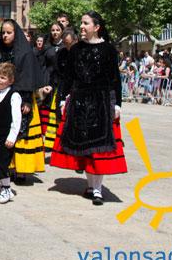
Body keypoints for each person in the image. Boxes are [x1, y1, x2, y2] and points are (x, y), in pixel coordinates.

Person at [51, 12, 127, 206]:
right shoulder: (76, 50)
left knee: (99, 148)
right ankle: (91, 185)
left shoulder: (109, 50)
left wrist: (117, 104)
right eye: (81, 23)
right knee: (85, 147)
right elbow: (68, 77)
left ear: (97, 26)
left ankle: (97, 189)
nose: (82, 26)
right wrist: (62, 99)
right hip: (79, 102)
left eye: (86, 23)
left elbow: (115, 79)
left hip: (101, 102)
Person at [0, 19, 45, 182]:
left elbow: (28, 75)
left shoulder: (25, 52)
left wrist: (27, 100)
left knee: (21, 133)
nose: (5, 35)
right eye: (3, 32)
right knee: (1, 132)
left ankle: (21, 170)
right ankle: (4, 167)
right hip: (0, 97)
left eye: (9, 32)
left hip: (21, 97)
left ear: (15, 33)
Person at [0, 62, 32, 204]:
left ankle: (7, 189)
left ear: (11, 80)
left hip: (7, 135)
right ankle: (4, 187)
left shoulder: (14, 95)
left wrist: (12, 137)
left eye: (3, 78)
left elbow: (17, 119)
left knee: (1, 163)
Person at [40, 22, 65, 150]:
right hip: (48, 80)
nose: (55, 32)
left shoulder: (65, 47)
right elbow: (42, 65)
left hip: (61, 82)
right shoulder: (47, 47)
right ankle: (49, 143)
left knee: (58, 111)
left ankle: (59, 141)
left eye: (57, 30)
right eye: (53, 30)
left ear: (62, 31)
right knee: (48, 111)